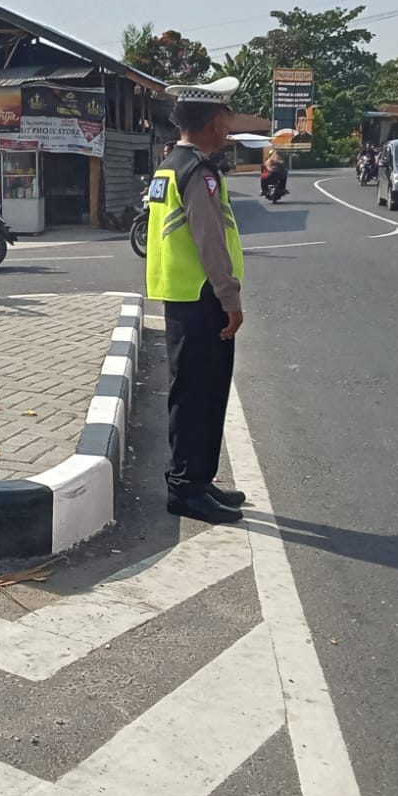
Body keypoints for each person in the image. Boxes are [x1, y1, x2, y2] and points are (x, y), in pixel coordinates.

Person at [145, 77, 247, 524]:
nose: (229, 125)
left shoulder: (169, 165)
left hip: (181, 294)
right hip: (203, 297)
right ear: (213, 123)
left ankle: (197, 480)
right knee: (200, 396)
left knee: (194, 392)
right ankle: (186, 488)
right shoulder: (199, 173)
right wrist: (230, 297)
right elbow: (210, 241)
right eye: (226, 116)